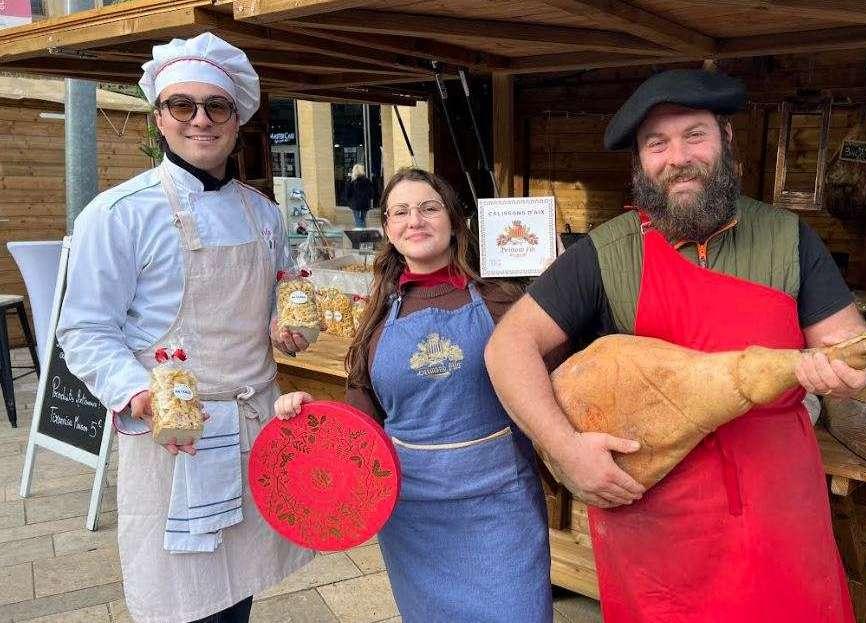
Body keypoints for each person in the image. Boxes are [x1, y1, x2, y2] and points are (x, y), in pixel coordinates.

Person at [485, 69, 866, 622]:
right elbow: (508, 347)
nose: (677, 157)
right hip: (654, 532)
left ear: (727, 140)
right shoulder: (610, 251)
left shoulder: (789, 240)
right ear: (640, 162)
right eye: (656, 143)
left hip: (777, 519)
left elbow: (849, 345)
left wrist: (854, 367)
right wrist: (566, 451)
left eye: (694, 134)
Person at [56, 32, 313, 623]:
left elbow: (274, 299)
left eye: (215, 105)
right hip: (178, 438)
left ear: (238, 116)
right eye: (183, 105)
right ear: (159, 116)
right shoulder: (119, 214)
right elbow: (85, 330)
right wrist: (143, 395)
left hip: (253, 425)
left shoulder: (262, 212)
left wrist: (286, 328)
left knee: (240, 589)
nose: (200, 119)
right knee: (184, 600)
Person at [274, 168, 553, 621]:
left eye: (428, 208)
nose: (415, 220)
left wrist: (553, 278)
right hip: (414, 516)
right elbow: (362, 417)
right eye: (400, 212)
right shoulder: (377, 317)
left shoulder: (503, 299)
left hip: (500, 506)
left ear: (453, 218)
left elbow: (560, 369)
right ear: (387, 228)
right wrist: (313, 418)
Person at [345, 163, 373, 228]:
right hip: (365, 204)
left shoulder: (351, 182)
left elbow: (347, 194)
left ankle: (362, 236)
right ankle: (365, 234)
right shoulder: (367, 181)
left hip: (355, 205)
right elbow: (371, 194)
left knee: (358, 221)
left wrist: (349, 201)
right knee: (362, 220)